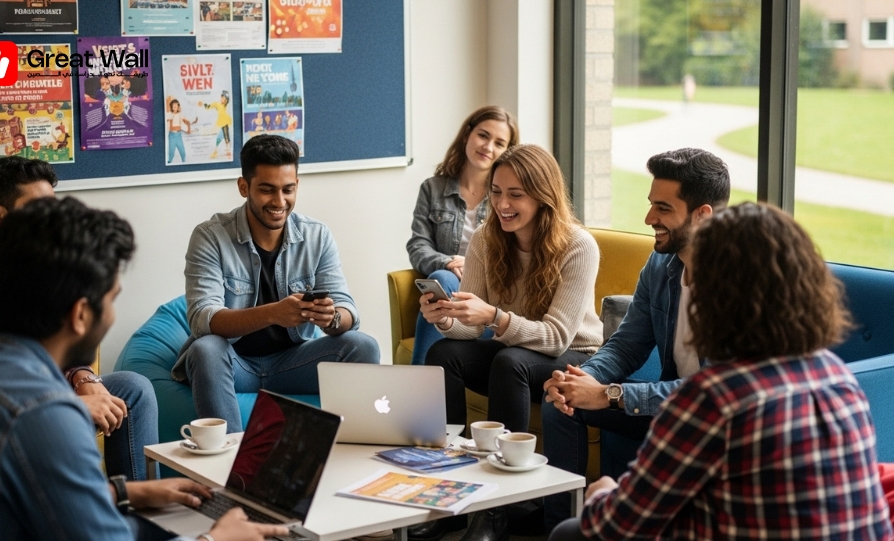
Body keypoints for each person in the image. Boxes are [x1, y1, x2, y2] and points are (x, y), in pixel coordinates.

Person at [0, 196, 287, 541]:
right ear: (81, 314)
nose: (113, 315)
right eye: (112, 299)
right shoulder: (43, 413)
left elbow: (19, 489)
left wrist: (122, 491)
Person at [550, 202, 893, 540]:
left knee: (571, 531)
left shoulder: (714, 397)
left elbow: (618, 523)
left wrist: (601, 492)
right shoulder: (836, 376)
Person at [0, 157, 160, 482]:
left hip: (41, 390)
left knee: (132, 389)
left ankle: (137, 511)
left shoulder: (30, 271)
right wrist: (71, 406)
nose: (52, 224)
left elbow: (56, 345)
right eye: (40, 211)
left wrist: (83, 379)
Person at [540, 148, 730, 528]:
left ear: (702, 215)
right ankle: (560, 525)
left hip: (712, 424)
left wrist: (612, 394)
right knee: (560, 404)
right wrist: (586, 379)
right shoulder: (660, 265)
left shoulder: (737, 284)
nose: (649, 219)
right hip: (667, 411)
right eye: (650, 205)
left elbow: (711, 393)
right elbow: (627, 344)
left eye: (663, 208)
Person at [420, 144, 603, 541]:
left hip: (576, 356)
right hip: (516, 353)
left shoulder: (578, 245)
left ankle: (500, 508)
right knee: (443, 354)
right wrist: (448, 317)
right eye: (497, 191)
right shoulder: (487, 240)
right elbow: (469, 331)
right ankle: (448, 496)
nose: (502, 204)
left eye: (515, 194)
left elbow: (555, 338)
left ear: (543, 196)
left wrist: (494, 317)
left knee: (510, 361)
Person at [175, 134, 380, 434]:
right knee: (205, 349)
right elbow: (203, 320)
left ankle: (348, 448)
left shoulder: (317, 235)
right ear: (244, 187)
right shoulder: (210, 236)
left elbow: (348, 311)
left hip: (293, 363)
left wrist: (332, 317)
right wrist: (273, 313)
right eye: (267, 190)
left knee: (363, 346)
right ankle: (231, 466)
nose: (279, 202)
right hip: (234, 365)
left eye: (288, 189)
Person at [406, 105, 519, 366]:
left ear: (508, 152)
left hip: (491, 295)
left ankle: (418, 386)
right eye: (483, 135)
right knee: (442, 277)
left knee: (442, 280)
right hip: (450, 285)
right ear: (467, 134)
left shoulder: (508, 198)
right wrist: (447, 262)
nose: (488, 147)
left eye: (499, 143)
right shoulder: (433, 188)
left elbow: (517, 253)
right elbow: (418, 245)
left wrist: (475, 266)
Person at [199, 91, 232, 159]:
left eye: (224, 98)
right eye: (222, 98)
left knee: (226, 139)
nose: (222, 99)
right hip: (221, 125)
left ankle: (228, 152)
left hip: (225, 124)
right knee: (218, 138)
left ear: (226, 100)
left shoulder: (226, 106)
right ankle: (216, 151)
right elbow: (208, 107)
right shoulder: (217, 104)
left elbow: (228, 102)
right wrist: (203, 104)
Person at [166, 98, 193, 164]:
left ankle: (184, 162)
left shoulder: (180, 114)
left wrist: (188, 126)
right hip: (172, 135)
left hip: (178, 135)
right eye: (173, 106)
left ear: (178, 106)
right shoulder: (169, 114)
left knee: (182, 152)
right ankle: (169, 162)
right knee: (171, 152)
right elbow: (170, 124)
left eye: (176, 105)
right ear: (171, 107)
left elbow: (186, 121)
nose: (175, 107)